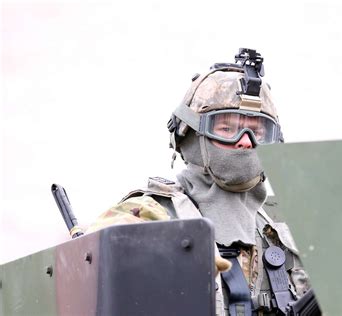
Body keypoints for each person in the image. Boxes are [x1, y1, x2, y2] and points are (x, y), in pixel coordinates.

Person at [87, 48, 317, 316]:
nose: (244, 140)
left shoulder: (288, 226)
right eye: (226, 129)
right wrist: (165, 259)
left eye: (257, 132)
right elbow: (96, 259)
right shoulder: (153, 214)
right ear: (191, 135)